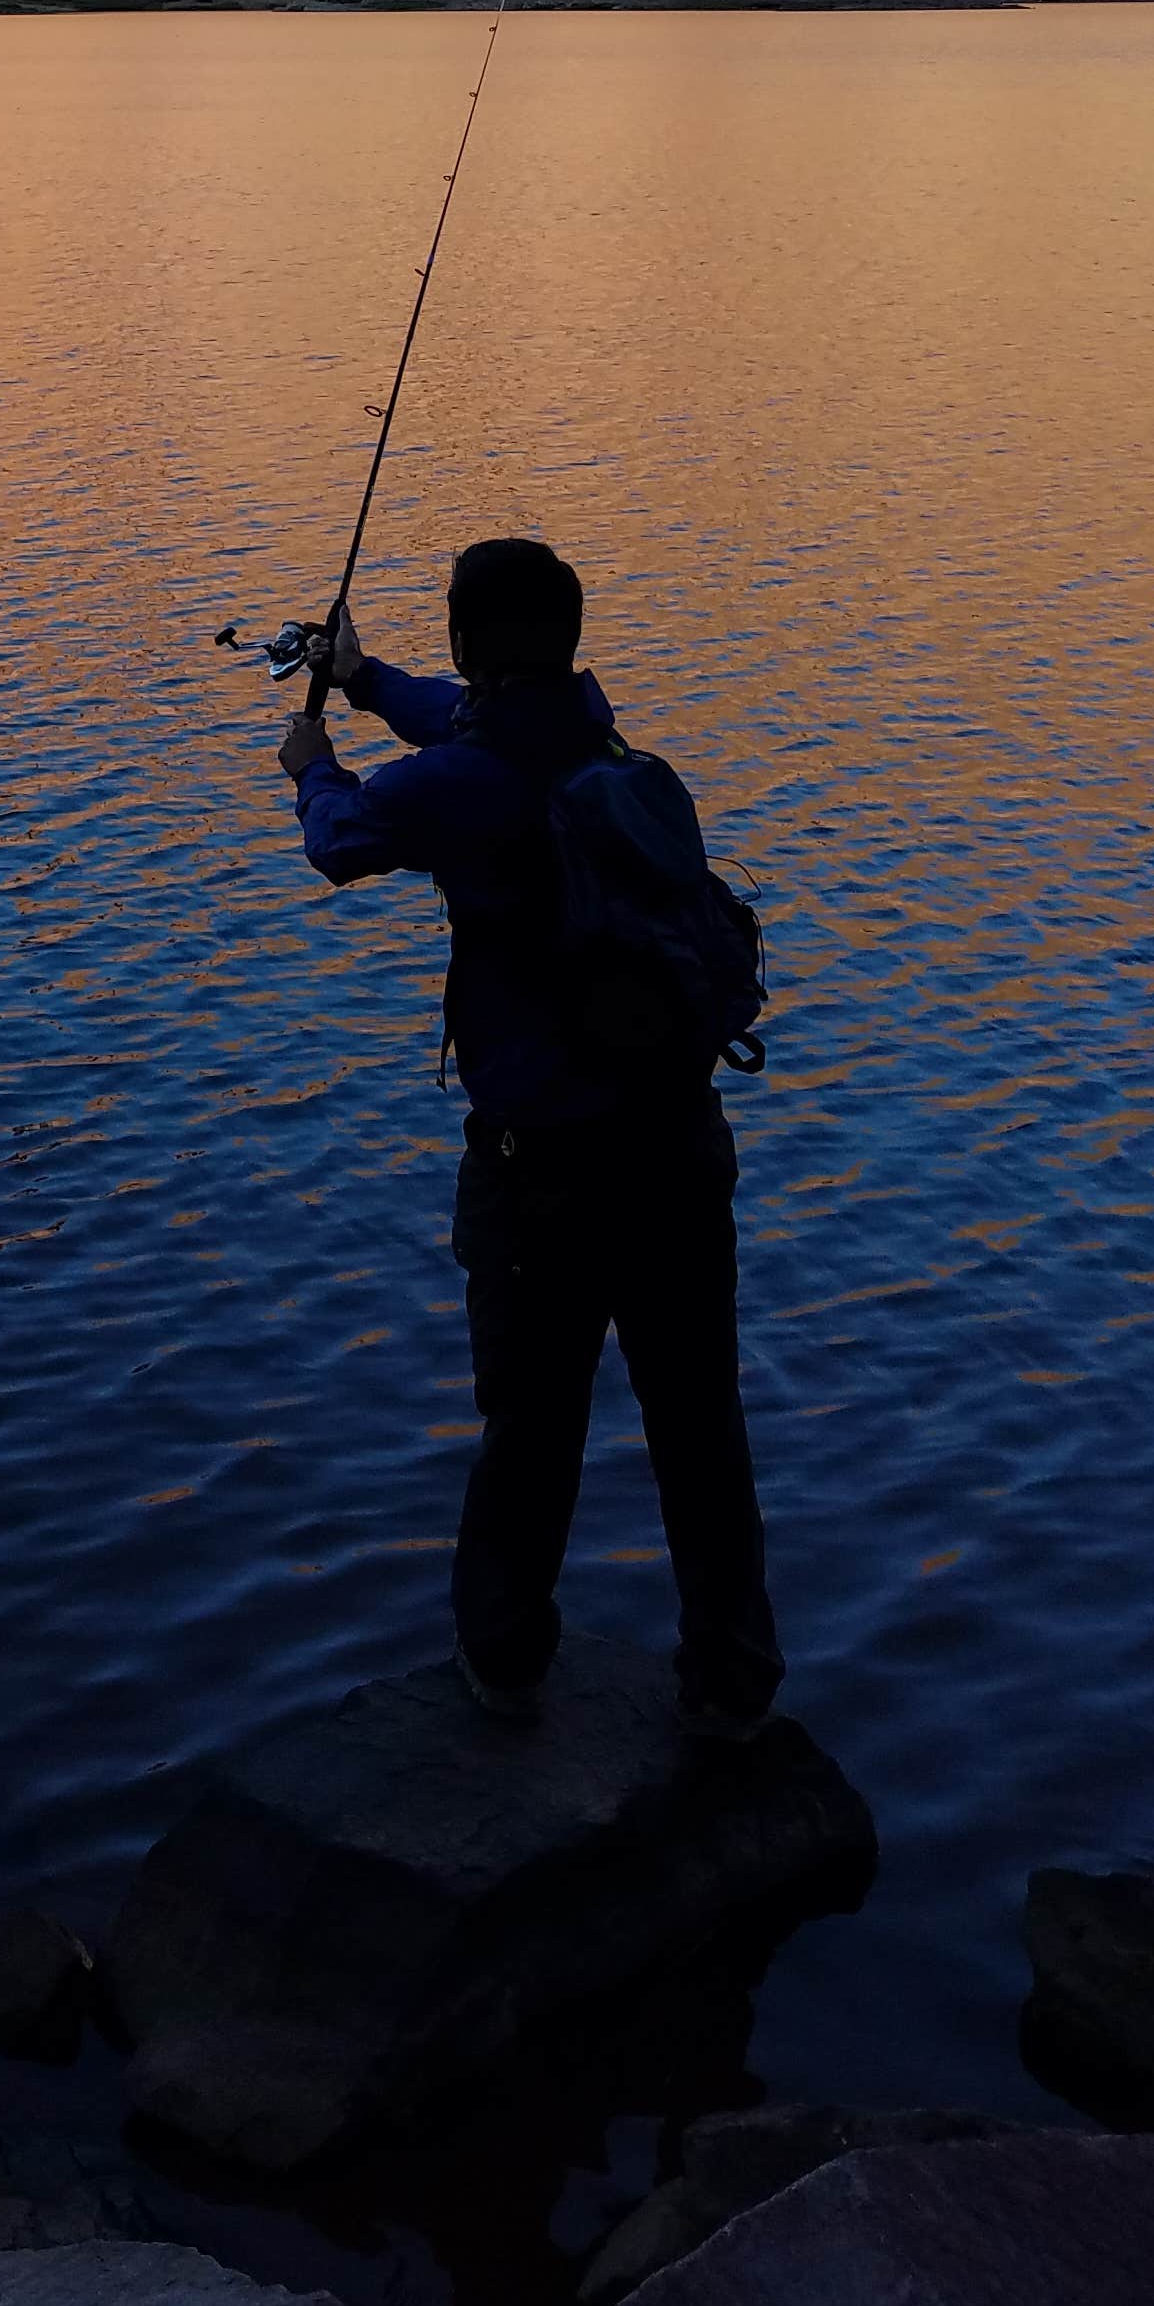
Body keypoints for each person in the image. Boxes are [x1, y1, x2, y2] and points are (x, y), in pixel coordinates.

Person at [280, 536, 783, 1738]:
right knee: (699, 1429)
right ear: (565, 639)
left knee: (532, 1431)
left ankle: (505, 1665)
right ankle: (732, 1683)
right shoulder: (598, 742)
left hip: (546, 1180)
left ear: (468, 639)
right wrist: (360, 677)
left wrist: (310, 761)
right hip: (678, 1150)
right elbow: (454, 716)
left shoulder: (465, 783)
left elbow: (343, 840)